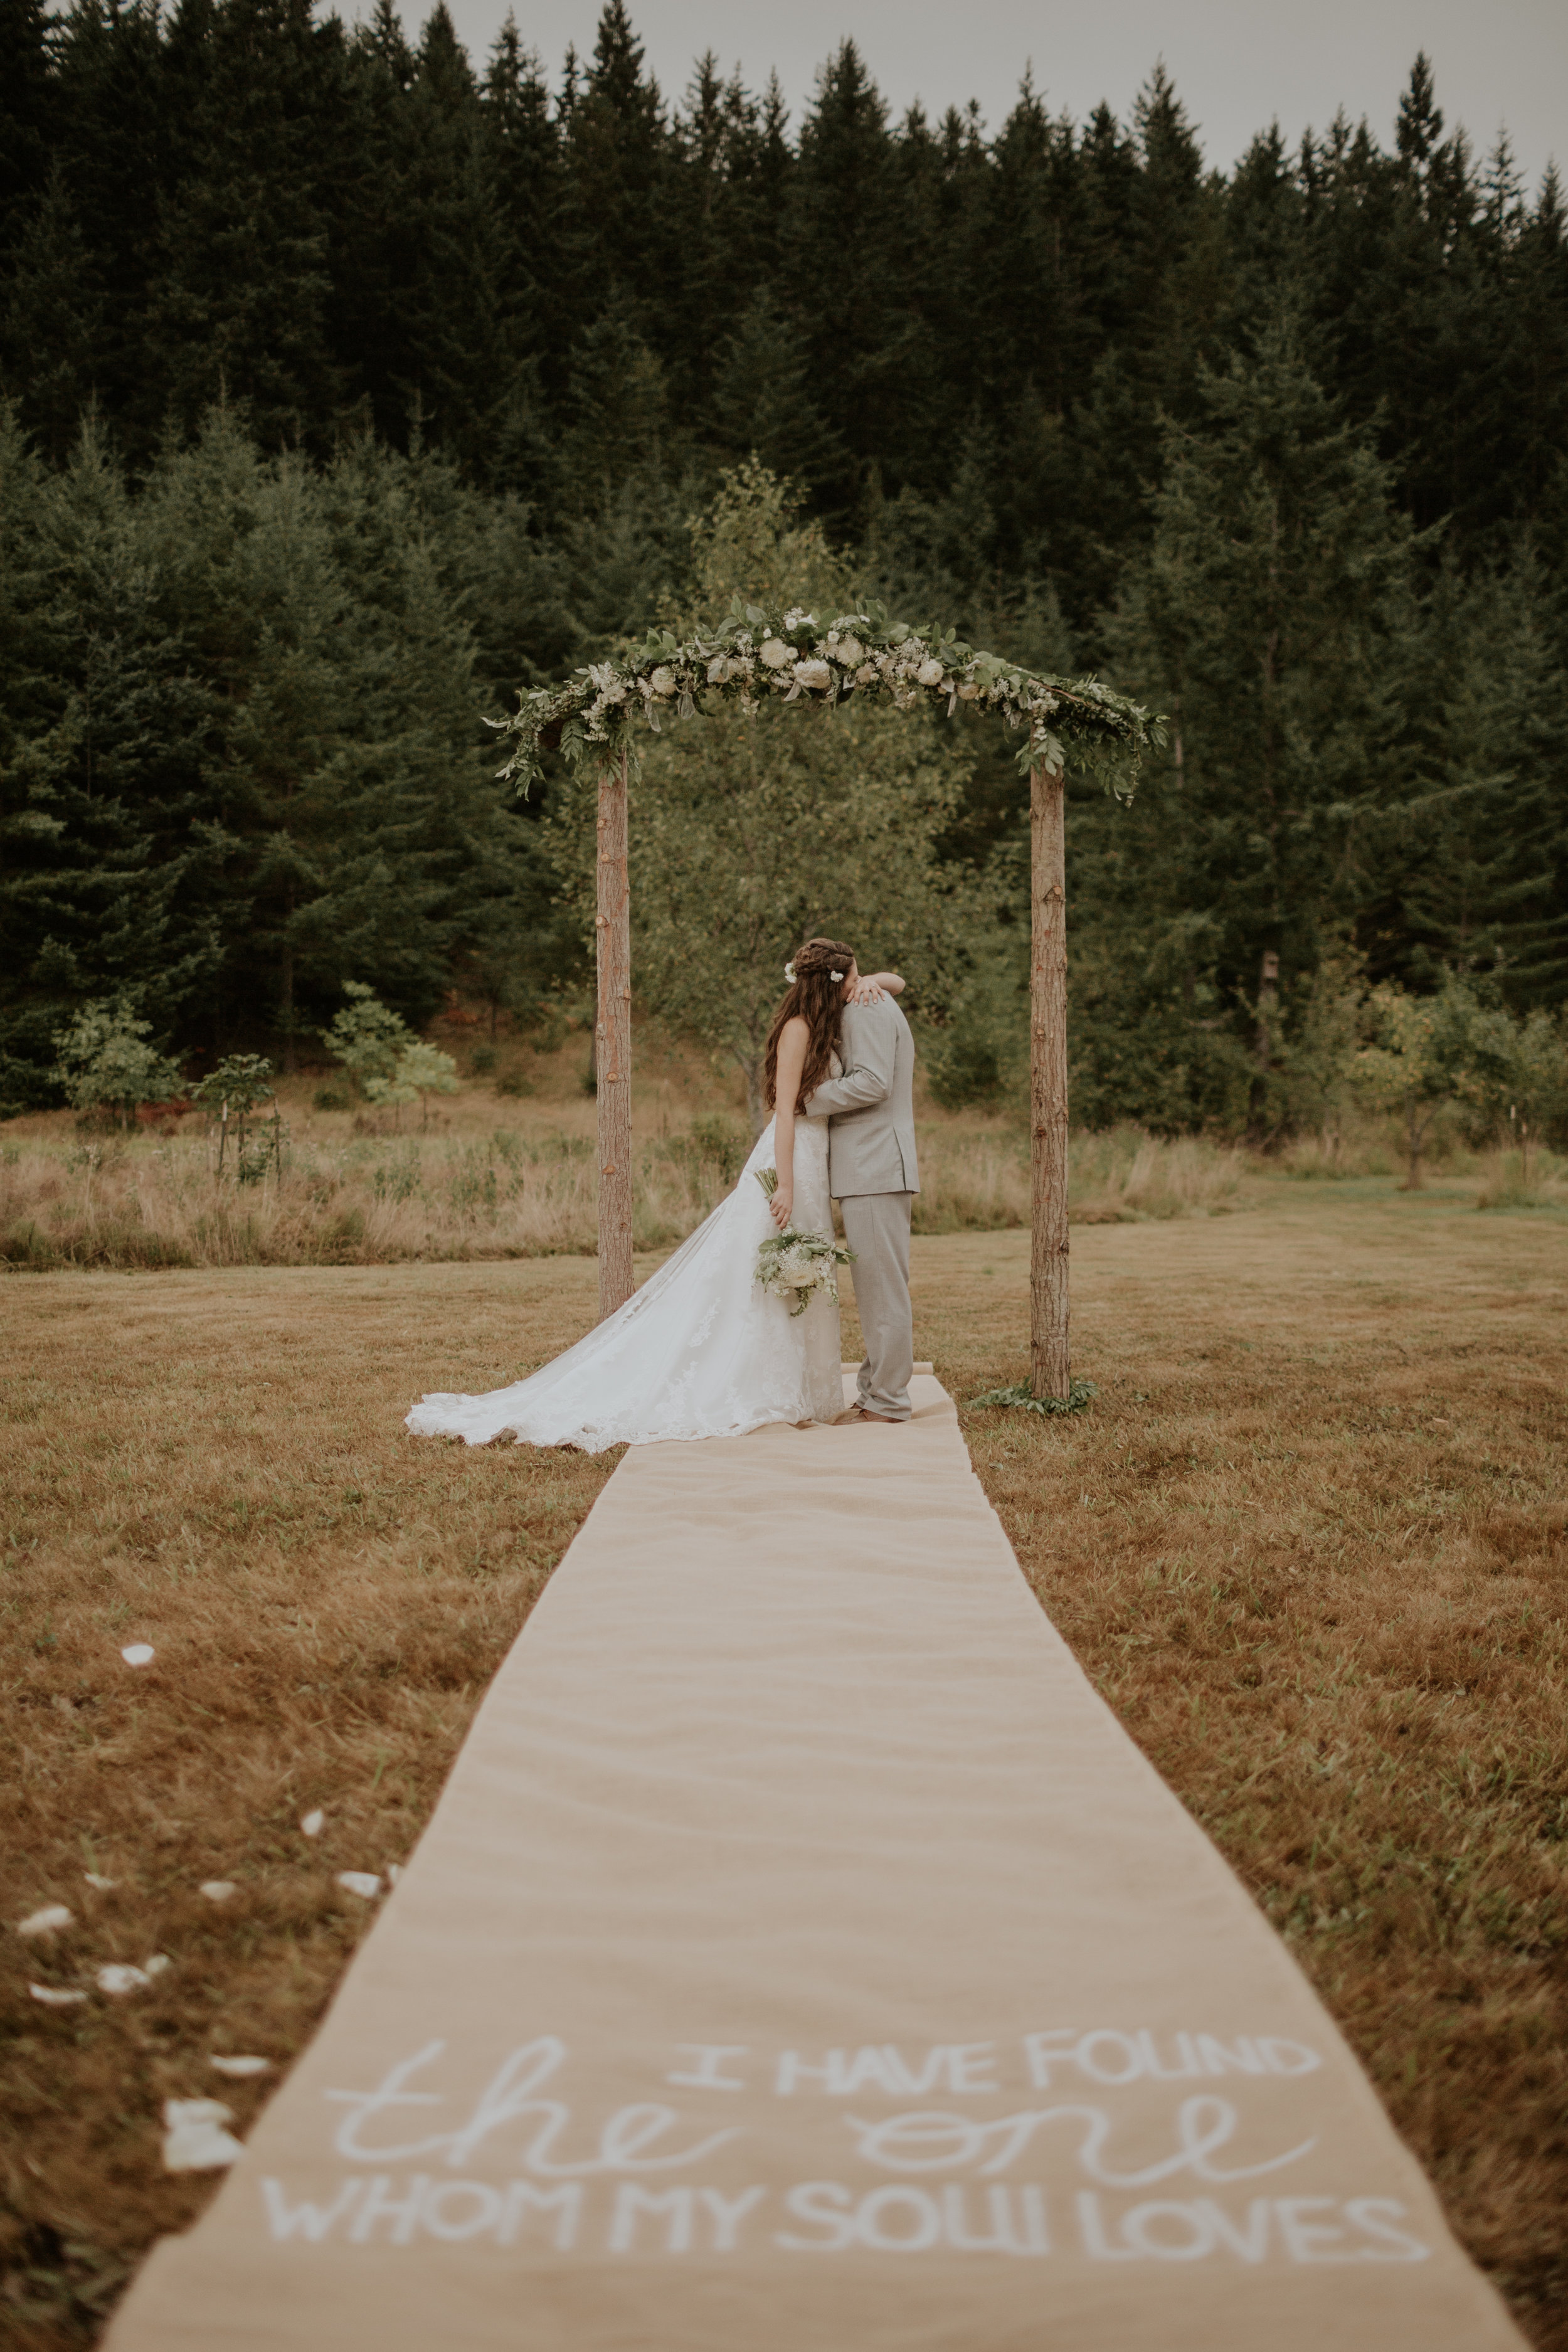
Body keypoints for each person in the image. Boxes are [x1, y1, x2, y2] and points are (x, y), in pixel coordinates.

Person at [403, 938, 903, 1453]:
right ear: (833, 985)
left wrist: (873, 980)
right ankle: (759, 1387)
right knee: (764, 1273)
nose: (861, 985)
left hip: (816, 1162)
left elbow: (895, 983)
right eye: (854, 976)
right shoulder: (800, 1030)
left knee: (802, 1273)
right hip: (792, 1159)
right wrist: (788, 1185)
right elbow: (784, 1109)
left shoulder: (830, 1019)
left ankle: (803, 1392)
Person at [803, 950, 919, 1424]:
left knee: (882, 1290)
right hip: (870, 1166)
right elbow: (898, 980)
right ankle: (876, 1392)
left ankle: (889, 1402)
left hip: (875, 1164)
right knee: (878, 1286)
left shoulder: (866, 1006)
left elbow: (873, 1082)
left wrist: (805, 1099)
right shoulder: (868, 993)